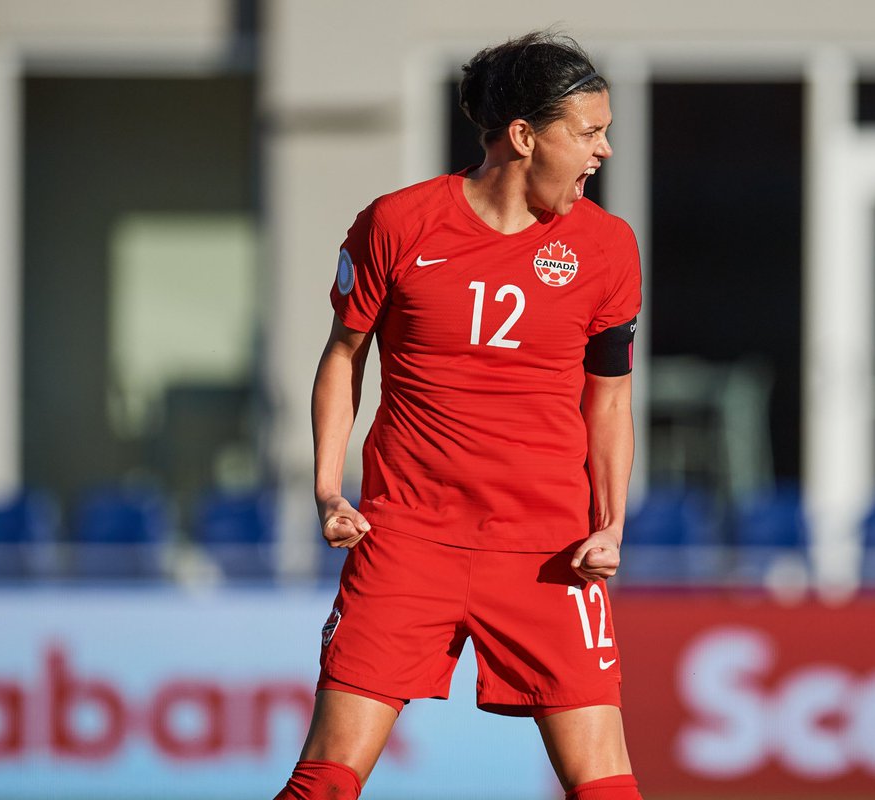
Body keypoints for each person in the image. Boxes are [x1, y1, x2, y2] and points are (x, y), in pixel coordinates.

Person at [273, 30, 643, 800]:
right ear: (522, 136)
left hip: (550, 550)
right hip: (408, 539)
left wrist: (609, 523)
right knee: (324, 782)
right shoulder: (397, 225)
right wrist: (326, 490)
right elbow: (343, 357)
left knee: (607, 788)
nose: (603, 150)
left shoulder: (607, 248)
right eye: (589, 132)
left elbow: (608, 396)